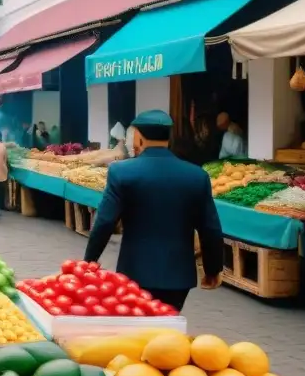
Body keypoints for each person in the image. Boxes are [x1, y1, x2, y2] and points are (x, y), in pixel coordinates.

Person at [84, 110, 224, 312]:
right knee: (168, 329)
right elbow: (210, 229)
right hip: (178, 278)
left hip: (134, 273)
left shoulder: (121, 172)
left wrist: (88, 263)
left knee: (137, 331)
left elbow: (104, 222)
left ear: (139, 137)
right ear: (169, 137)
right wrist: (212, 270)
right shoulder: (197, 176)